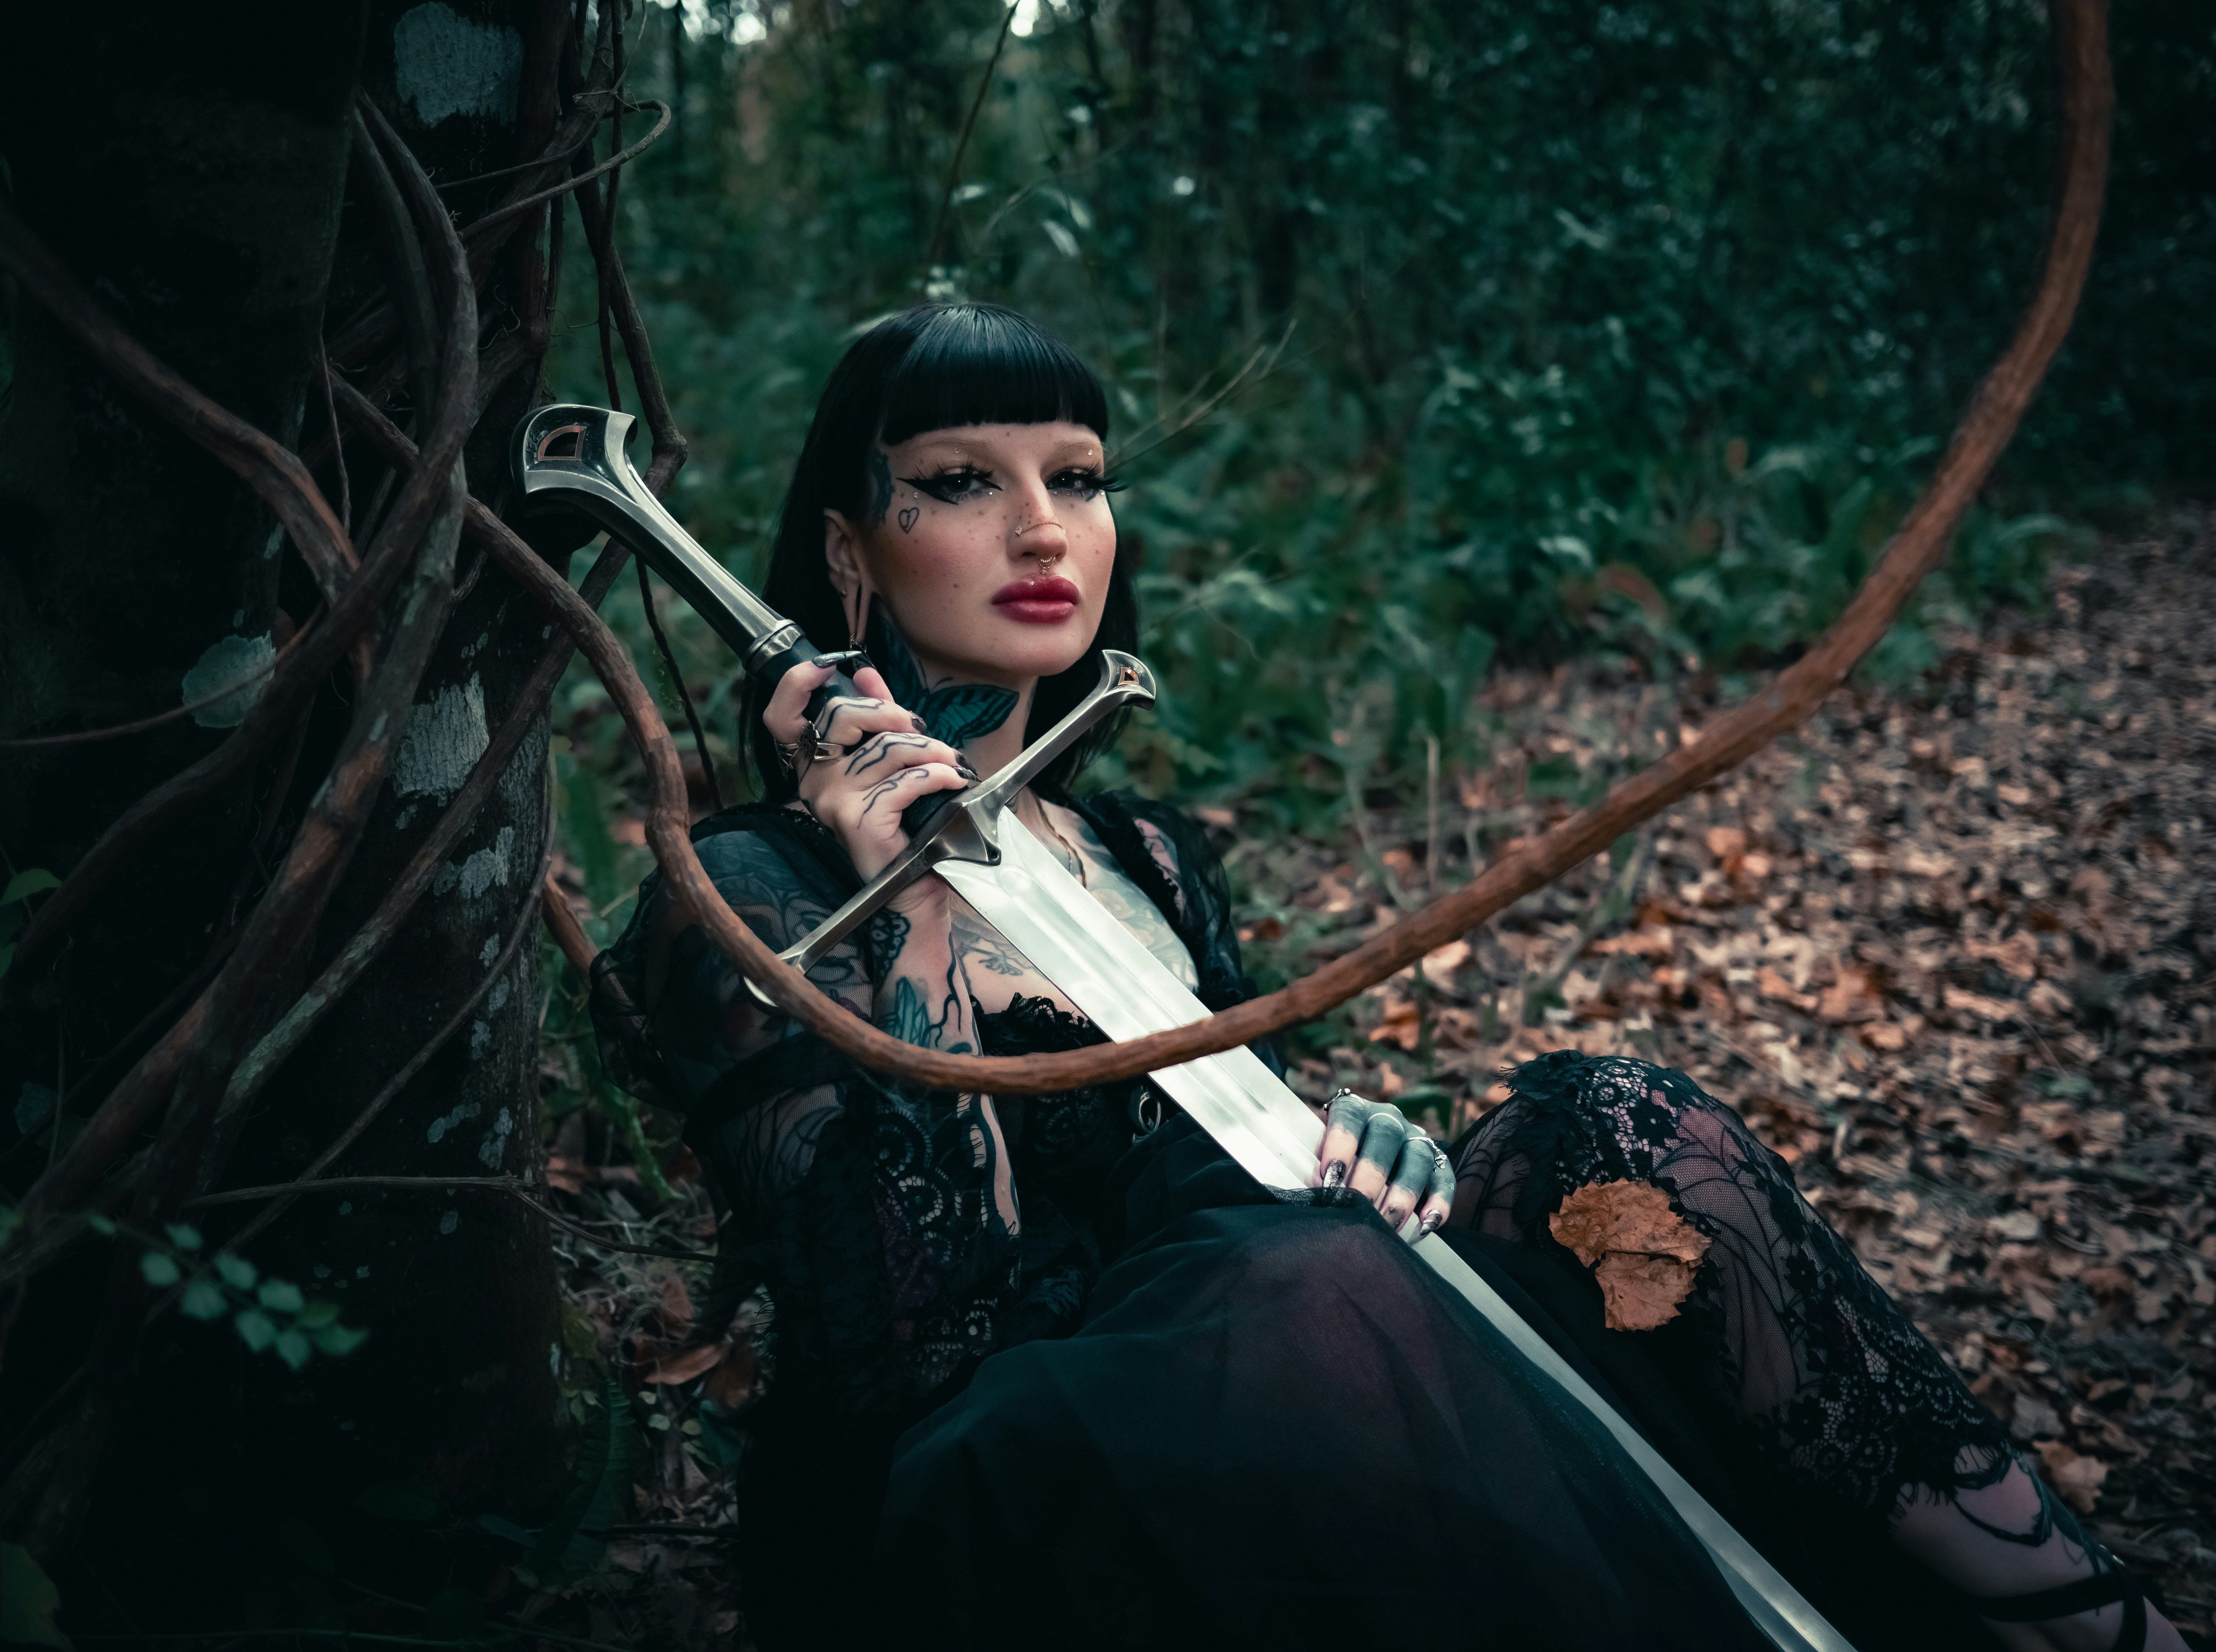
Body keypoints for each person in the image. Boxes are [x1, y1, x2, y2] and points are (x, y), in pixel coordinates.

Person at [591, 303, 2184, 1652]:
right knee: (1314, 1291)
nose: (1041, 529)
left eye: (1076, 478)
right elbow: (913, 1354)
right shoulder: (739, 898)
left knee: (1604, 1124)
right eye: (959, 482)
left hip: (1306, 1354)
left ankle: (2088, 1624)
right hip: (1009, 1493)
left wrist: (1369, 1146)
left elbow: (1250, 1155)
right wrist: (899, 906)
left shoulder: (1143, 857)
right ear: (849, 550)